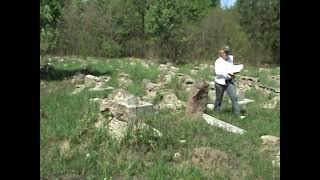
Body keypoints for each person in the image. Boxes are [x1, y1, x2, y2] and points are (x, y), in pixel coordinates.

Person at [213, 49, 244, 118]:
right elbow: (217, 72)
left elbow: (231, 68)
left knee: (234, 97)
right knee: (219, 99)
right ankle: (216, 112)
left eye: (227, 53)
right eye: (225, 53)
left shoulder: (230, 59)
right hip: (219, 82)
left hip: (229, 81)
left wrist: (238, 69)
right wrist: (227, 73)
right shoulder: (218, 61)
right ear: (222, 54)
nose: (227, 55)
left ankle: (237, 114)